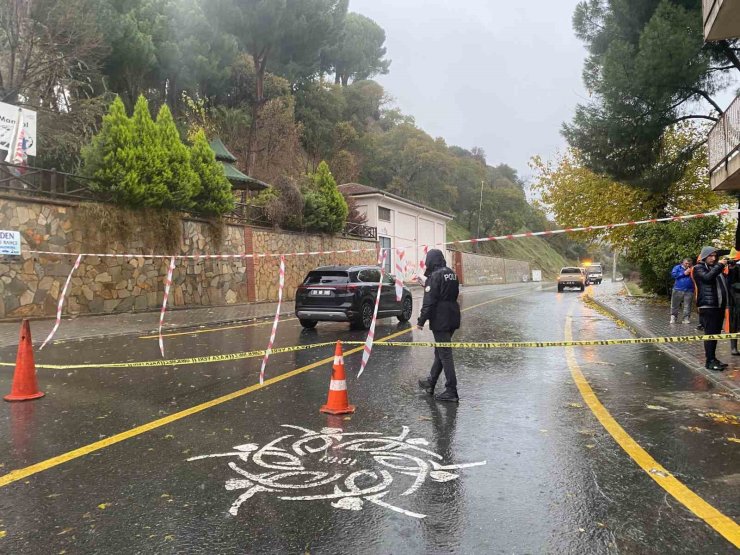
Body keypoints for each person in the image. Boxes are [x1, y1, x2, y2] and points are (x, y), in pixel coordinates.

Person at [417, 249, 461, 402]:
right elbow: (447, 293)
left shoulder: (434, 276)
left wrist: (421, 320)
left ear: (431, 260)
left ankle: (451, 390)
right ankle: (431, 382)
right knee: (440, 352)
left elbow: (429, 301)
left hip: (441, 319)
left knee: (445, 354)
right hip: (453, 316)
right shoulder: (452, 273)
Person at [692, 247, 729, 371]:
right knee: (710, 335)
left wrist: (731, 267)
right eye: (710, 256)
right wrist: (720, 265)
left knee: (715, 335)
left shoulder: (715, 268)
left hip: (718, 306)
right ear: (704, 256)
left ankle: (713, 358)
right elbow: (708, 278)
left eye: (715, 256)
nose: (713, 258)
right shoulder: (698, 268)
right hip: (708, 306)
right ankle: (709, 361)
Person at [670, 258, 694, 324]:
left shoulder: (693, 268)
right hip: (678, 289)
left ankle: (686, 318)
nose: (687, 265)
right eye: (686, 263)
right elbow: (673, 275)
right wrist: (684, 273)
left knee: (687, 305)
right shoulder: (677, 267)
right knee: (675, 304)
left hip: (689, 289)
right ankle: (673, 317)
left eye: (689, 264)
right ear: (682, 262)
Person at [726, 249, 740, 356]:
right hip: (735, 301)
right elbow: (730, 284)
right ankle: (733, 347)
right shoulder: (733, 268)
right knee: (734, 324)